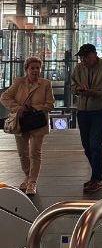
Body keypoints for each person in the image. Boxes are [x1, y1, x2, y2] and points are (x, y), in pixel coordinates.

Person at [0, 57, 54, 197]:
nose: (35, 71)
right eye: (32, 68)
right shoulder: (19, 82)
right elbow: (4, 97)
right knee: (22, 153)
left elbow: (50, 104)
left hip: (38, 122)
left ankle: (32, 182)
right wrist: (18, 108)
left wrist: (34, 107)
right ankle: (27, 176)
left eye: (38, 68)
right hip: (21, 122)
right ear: (26, 69)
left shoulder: (46, 84)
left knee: (35, 153)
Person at [72, 43, 102, 196]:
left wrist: (96, 93)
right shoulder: (79, 68)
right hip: (82, 111)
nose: (83, 60)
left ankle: (96, 178)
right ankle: (99, 174)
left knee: (95, 144)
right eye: (81, 57)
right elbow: (72, 86)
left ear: (94, 55)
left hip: (99, 110)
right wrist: (78, 90)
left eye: (86, 57)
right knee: (86, 146)